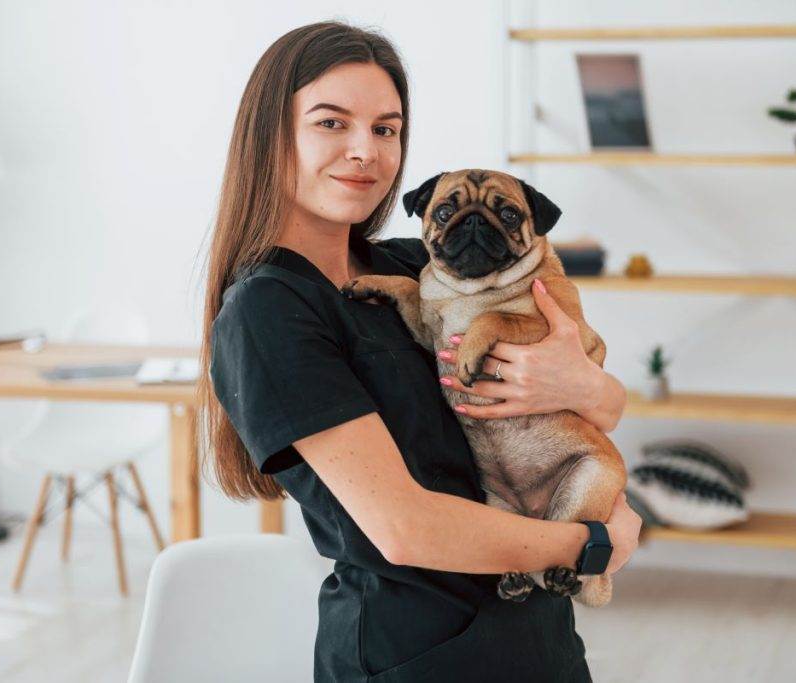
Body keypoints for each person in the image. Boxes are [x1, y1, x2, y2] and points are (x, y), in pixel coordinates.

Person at [197, 21, 642, 683]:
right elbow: (405, 527)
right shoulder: (269, 310)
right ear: (271, 136)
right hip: (416, 656)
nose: (364, 152)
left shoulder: (420, 266)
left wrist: (585, 387)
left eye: (386, 129)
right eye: (331, 123)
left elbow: (603, 405)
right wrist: (588, 545)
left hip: (540, 640)